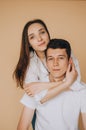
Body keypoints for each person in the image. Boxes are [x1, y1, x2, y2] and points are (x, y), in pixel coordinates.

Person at [13, 19, 81, 129]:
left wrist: (42, 86)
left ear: (48, 33)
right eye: (32, 37)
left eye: (42, 32)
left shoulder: (64, 49)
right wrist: (66, 82)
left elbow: (75, 84)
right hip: (41, 108)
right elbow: (35, 95)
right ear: (29, 43)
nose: (39, 39)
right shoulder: (29, 63)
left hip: (65, 100)